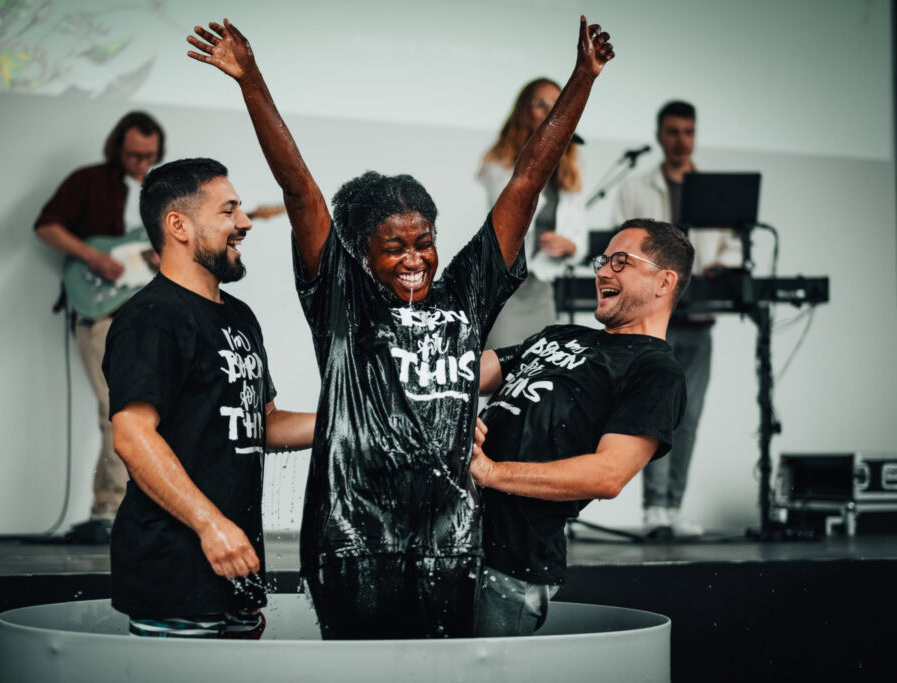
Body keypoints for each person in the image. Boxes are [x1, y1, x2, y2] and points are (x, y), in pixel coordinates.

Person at [186, 16, 614, 639]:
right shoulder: (341, 300)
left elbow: (527, 180)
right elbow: (301, 192)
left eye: (425, 243)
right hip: (351, 539)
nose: (414, 258)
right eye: (394, 247)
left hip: (453, 540)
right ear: (362, 254)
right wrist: (251, 80)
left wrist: (582, 79)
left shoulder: (466, 296)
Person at [103, 157, 315, 638]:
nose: (244, 223)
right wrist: (209, 525)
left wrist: (355, 421)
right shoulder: (152, 318)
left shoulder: (239, 316)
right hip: (175, 571)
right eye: (228, 211)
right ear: (178, 225)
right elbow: (133, 437)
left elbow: (266, 424)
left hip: (234, 572)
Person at [471, 218, 691, 636]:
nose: (603, 272)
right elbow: (465, 375)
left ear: (664, 281)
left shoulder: (656, 370)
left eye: (621, 262)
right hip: (448, 538)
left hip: (508, 564)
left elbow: (608, 475)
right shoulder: (559, 334)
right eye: (602, 261)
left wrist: (491, 472)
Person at [611, 100, 742, 537]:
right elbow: (619, 246)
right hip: (655, 325)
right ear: (659, 134)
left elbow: (733, 246)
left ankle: (673, 506)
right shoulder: (636, 186)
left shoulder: (717, 190)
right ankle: (654, 510)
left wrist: (723, 265)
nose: (680, 139)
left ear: (695, 134)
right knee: (653, 415)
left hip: (700, 323)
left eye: (688, 131)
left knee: (690, 418)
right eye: (672, 131)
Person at [34, 111, 165, 542]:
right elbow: (47, 226)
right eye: (133, 155)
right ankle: (108, 509)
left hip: (146, 317)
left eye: (149, 155)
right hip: (100, 315)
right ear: (117, 148)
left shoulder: (165, 193)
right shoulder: (89, 181)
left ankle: (135, 508)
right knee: (117, 411)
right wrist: (93, 256)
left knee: (144, 411)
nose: (141, 164)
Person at [478, 78, 588, 348]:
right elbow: (512, 212)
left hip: (542, 287)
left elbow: (581, 242)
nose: (550, 111)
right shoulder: (499, 165)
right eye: (541, 104)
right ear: (523, 111)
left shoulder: (571, 170)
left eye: (556, 105)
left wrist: (569, 246)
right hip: (504, 289)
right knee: (498, 374)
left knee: (539, 371)